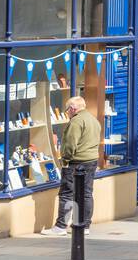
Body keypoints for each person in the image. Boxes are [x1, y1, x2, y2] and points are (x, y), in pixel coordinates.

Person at [40, 96, 101, 236]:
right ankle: (85, 225)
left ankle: (61, 226)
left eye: (67, 110)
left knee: (67, 193)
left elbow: (70, 144)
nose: (67, 113)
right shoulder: (93, 120)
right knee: (86, 193)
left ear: (72, 109)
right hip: (91, 161)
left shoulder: (76, 121)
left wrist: (65, 160)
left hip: (76, 162)